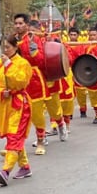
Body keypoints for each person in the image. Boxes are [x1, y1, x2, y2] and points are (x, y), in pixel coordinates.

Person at [0, 35, 33, 186]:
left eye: (8, 47)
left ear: (15, 47)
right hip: (4, 103)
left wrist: (9, 66)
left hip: (19, 104)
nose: (5, 50)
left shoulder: (22, 63)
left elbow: (22, 81)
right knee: (12, 136)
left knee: (14, 136)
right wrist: (0, 92)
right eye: (3, 47)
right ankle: (25, 166)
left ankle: (5, 171)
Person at [13, 12, 57, 155]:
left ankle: (40, 140)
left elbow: (41, 60)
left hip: (34, 79)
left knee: (36, 113)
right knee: (17, 113)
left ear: (27, 24)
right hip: (18, 78)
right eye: (16, 23)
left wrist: (34, 53)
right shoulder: (12, 40)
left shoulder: (34, 39)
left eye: (20, 23)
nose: (18, 26)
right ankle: (14, 144)